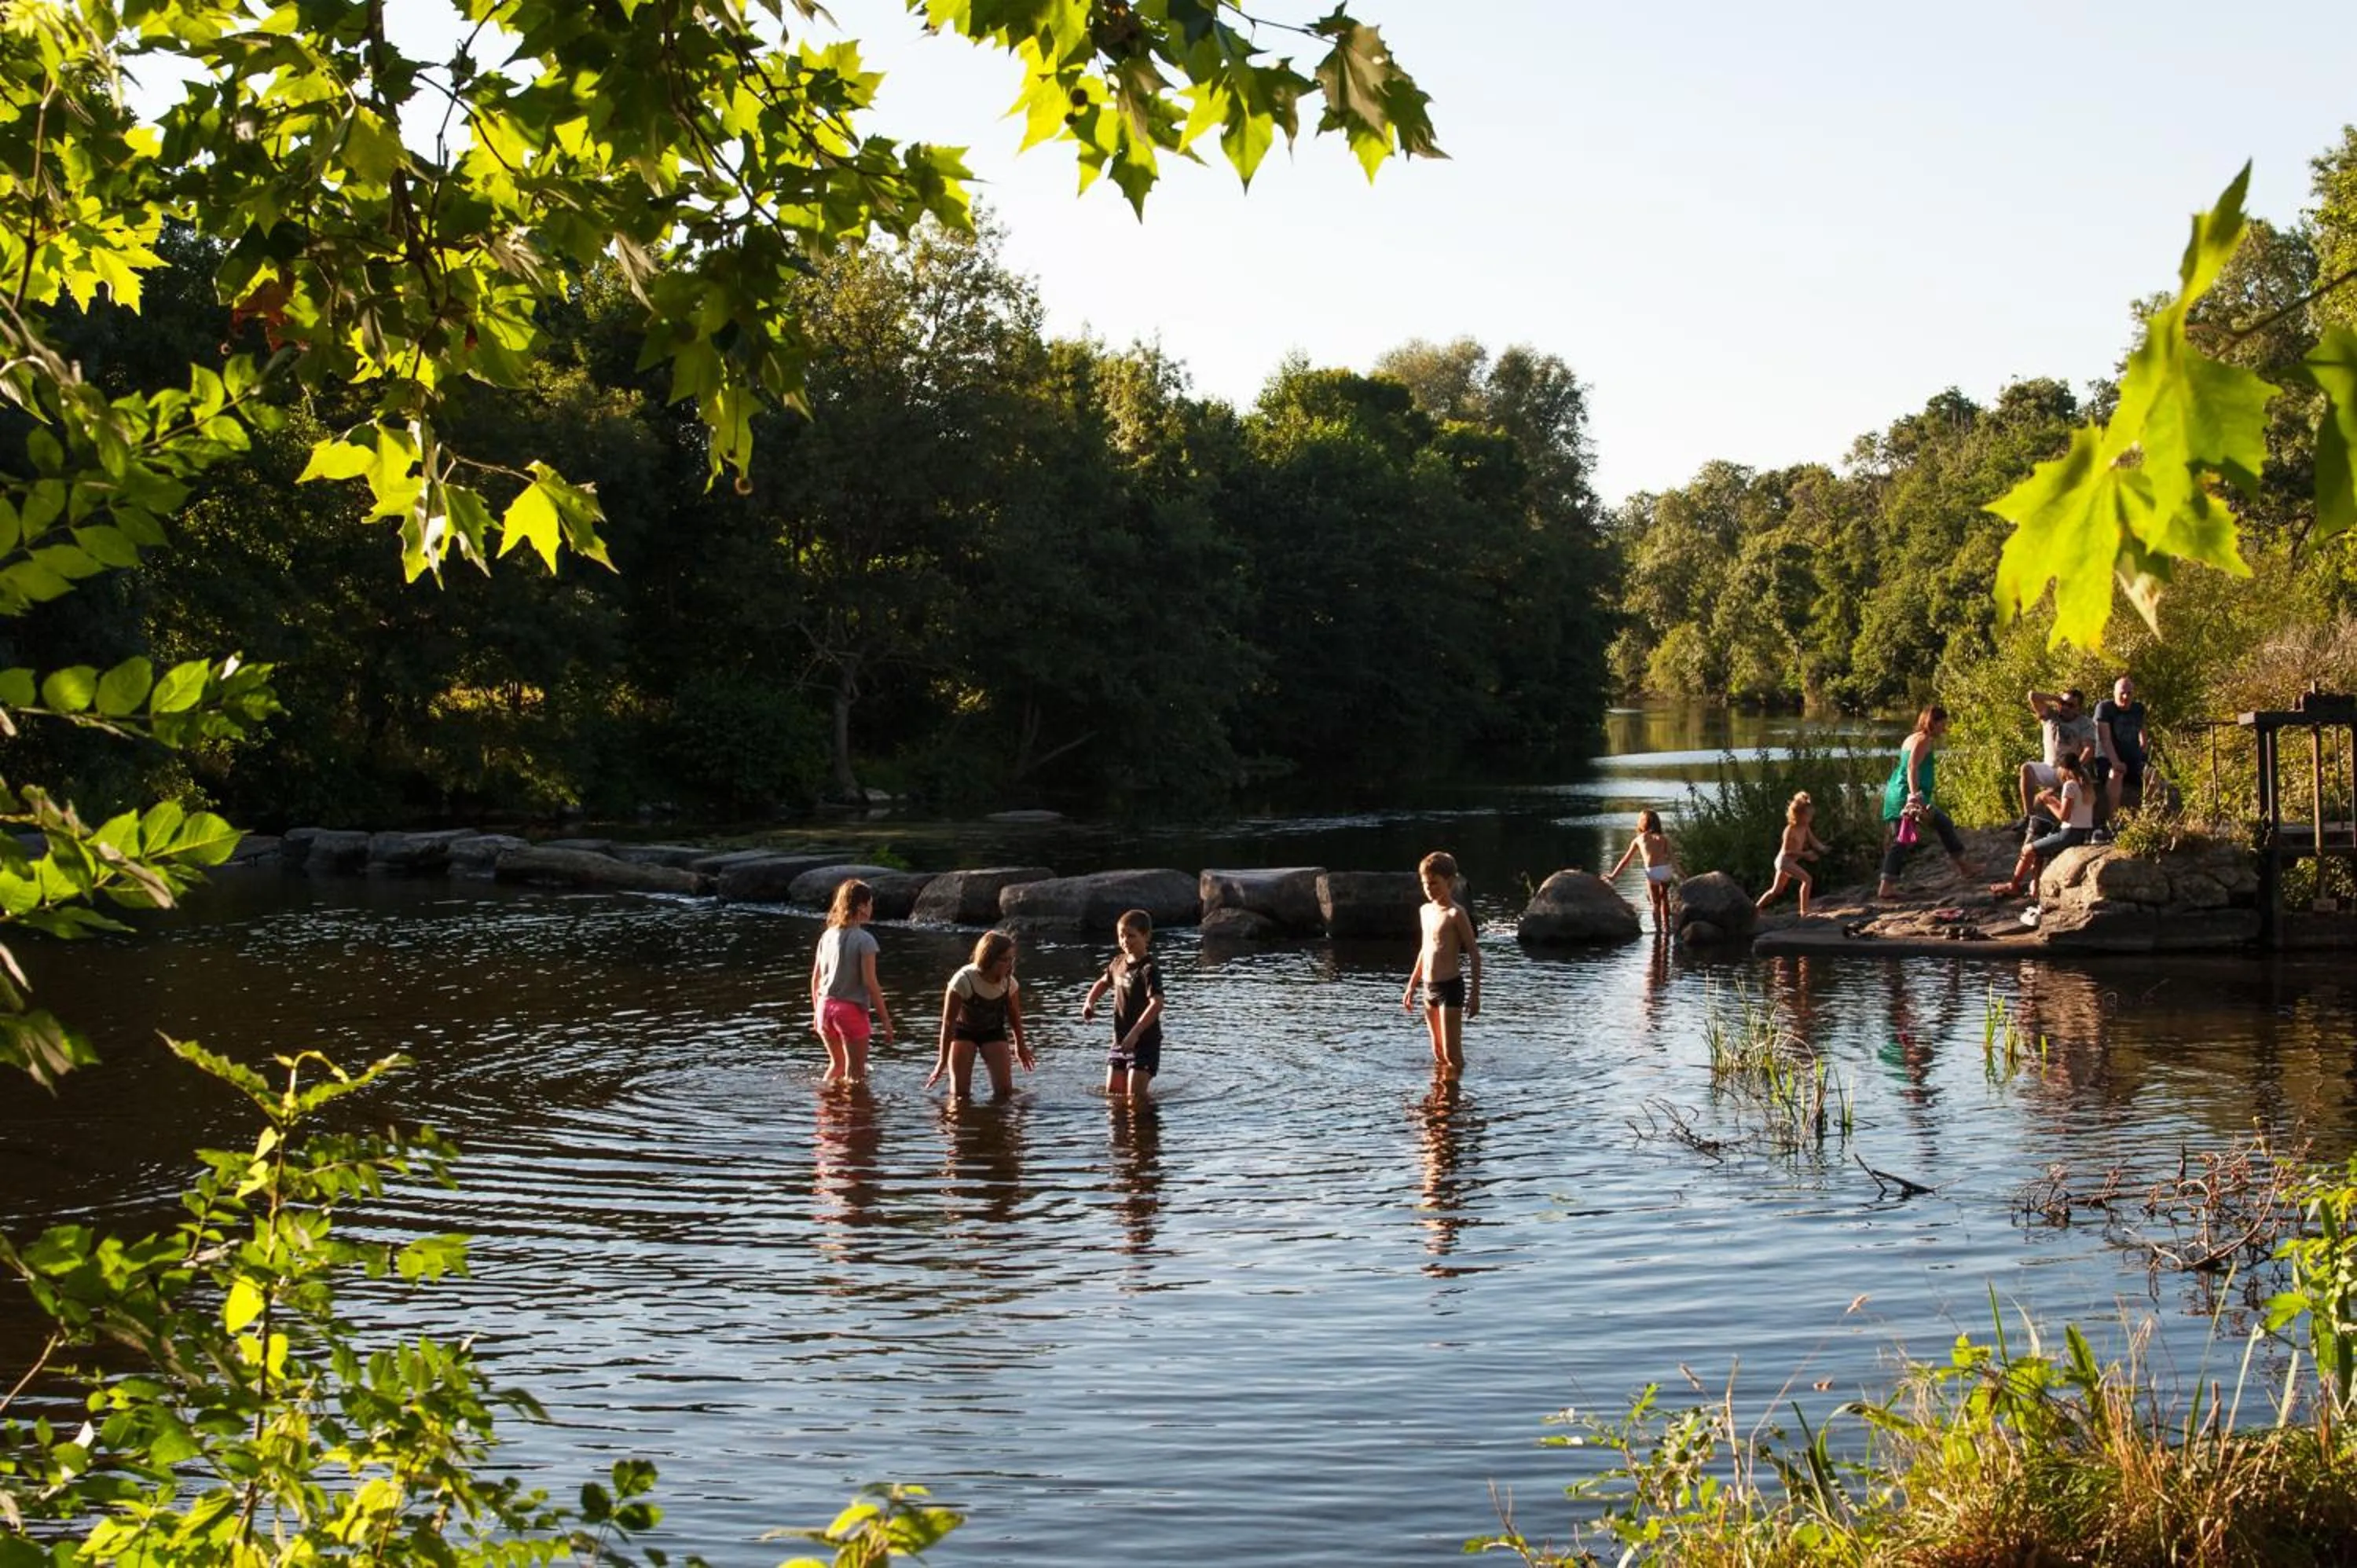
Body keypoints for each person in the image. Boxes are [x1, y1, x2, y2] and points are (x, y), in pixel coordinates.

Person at [1877, 705, 1975, 901]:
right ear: (1934, 722)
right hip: (1907, 795)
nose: (1944, 728)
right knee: (1902, 839)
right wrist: (1914, 797)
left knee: (1942, 823)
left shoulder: (1911, 738)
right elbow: (1912, 768)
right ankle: (1885, 887)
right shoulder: (1923, 740)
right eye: (1943, 724)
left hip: (1902, 791)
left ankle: (1966, 868)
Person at [1401, 851, 1480, 1077]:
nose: (1429, 889)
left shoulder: (1456, 913)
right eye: (1426, 884)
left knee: (1451, 1054)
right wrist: (1411, 985)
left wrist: (1475, 995)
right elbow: (1425, 950)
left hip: (1450, 988)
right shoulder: (1425, 911)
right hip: (1429, 987)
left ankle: (1454, 1102)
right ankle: (1440, 1101)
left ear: (1451, 882)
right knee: (1437, 1052)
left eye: (1435, 884)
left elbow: (1474, 954)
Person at [928, 929, 1032, 1101]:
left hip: (993, 1030)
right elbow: (949, 1023)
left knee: (1005, 1093)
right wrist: (942, 1060)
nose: (1009, 965)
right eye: (1004, 960)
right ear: (989, 958)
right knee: (960, 1095)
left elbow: (1014, 1017)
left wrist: (1020, 1046)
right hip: (963, 1031)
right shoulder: (963, 981)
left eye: (1011, 959)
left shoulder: (1010, 983)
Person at [808, 878, 893, 1086]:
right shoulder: (865, 940)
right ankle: (854, 1117)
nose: (872, 908)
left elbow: (816, 979)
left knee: (837, 1065)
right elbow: (870, 983)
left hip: (825, 1007)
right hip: (849, 1011)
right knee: (856, 1075)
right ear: (862, 907)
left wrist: (816, 1012)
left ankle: (827, 1114)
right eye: (871, 903)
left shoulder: (827, 936)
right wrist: (885, 1020)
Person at [1083, 909, 1166, 1099]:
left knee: (1134, 1099)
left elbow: (1157, 1004)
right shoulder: (1118, 963)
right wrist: (1090, 1003)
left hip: (1144, 1041)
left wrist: (1135, 1033)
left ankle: (1145, 1127)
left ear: (1146, 936)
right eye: (1121, 936)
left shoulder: (1149, 969)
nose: (1125, 941)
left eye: (1131, 936)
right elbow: (1103, 982)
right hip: (1119, 1039)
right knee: (1113, 1096)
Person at [1992, 753, 2095, 898]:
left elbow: (2064, 816)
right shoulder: (2085, 784)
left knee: (2027, 849)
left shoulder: (2070, 785)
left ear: (2062, 769)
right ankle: (2035, 888)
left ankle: (2014, 885)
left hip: (2068, 834)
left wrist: (2048, 801)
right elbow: (2072, 811)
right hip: (2081, 833)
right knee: (2038, 848)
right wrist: (2052, 800)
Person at [2018, 686, 2099, 822]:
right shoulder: (2050, 715)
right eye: (2063, 703)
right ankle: (2029, 816)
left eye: (2071, 705)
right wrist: (2056, 699)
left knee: (2079, 782)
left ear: (2078, 708)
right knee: (2026, 768)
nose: (2066, 708)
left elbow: (2088, 750)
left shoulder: (2085, 723)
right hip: (2050, 768)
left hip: (2072, 767)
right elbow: (2033, 696)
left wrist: (2073, 767)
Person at [1754, 791, 1829, 917]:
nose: (1811, 818)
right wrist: (1806, 854)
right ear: (1798, 815)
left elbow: (1814, 841)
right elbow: (1787, 851)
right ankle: (1804, 912)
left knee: (1776, 890)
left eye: (1811, 816)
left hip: (1789, 863)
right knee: (1807, 880)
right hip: (1784, 861)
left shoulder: (1805, 827)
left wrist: (1823, 848)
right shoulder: (1790, 829)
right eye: (1808, 816)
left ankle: (1755, 909)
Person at [1606, 808, 1681, 930]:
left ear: (1642, 823)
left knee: (1655, 903)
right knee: (1665, 899)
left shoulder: (1639, 839)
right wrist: (1682, 873)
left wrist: (1613, 876)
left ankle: (1658, 930)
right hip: (1666, 871)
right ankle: (1667, 928)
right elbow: (1673, 859)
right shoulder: (1663, 838)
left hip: (1653, 872)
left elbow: (1625, 860)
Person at [2092, 675, 2150, 814]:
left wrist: (2144, 748)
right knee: (2116, 775)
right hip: (2108, 760)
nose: (2125, 697)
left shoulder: (2138, 708)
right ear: (2114, 694)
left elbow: (2143, 728)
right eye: (2122, 693)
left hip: (2133, 760)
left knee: (2152, 775)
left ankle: (2146, 815)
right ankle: (2113, 819)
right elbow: (2104, 739)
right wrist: (2116, 762)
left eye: (2129, 693)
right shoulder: (2105, 708)